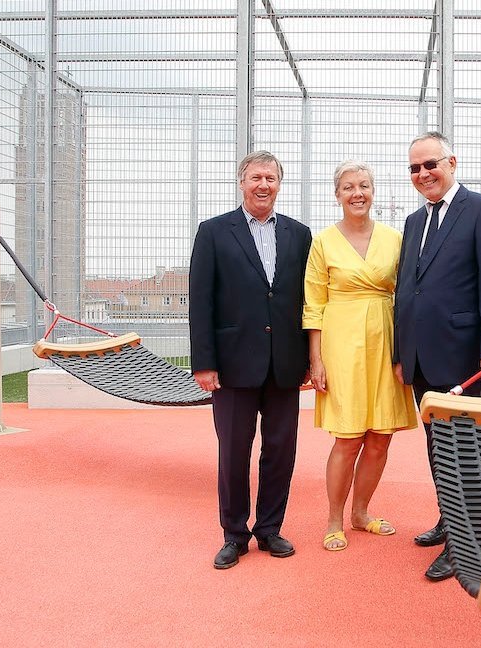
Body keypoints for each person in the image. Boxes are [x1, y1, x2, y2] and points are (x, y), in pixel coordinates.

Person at [392, 131, 481, 582]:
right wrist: (404, 352)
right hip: (422, 355)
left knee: (465, 447)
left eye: (430, 165)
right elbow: (408, 287)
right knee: (436, 444)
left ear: (452, 163)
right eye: (415, 168)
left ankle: (468, 543)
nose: (423, 174)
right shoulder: (413, 221)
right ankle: (449, 519)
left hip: (463, 354)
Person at [188, 150, 313, 570]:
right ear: (242, 182)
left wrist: (311, 361)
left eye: (271, 178)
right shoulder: (213, 232)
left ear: (280, 184)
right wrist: (204, 363)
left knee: (281, 450)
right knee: (234, 451)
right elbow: (201, 303)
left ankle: (270, 529)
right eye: (256, 177)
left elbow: (305, 301)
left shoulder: (299, 234)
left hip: (285, 365)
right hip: (232, 365)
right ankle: (234, 534)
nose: (264, 185)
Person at [303, 160, 418, 552]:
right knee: (349, 436)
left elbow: (406, 298)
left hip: (385, 343)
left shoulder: (394, 239)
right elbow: (313, 305)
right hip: (341, 345)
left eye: (365, 186)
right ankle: (334, 519)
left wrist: (406, 353)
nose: (358, 193)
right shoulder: (322, 242)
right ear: (337, 195)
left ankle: (361, 512)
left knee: (381, 436)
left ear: (374, 192)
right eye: (349, 187)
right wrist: (316, 361)